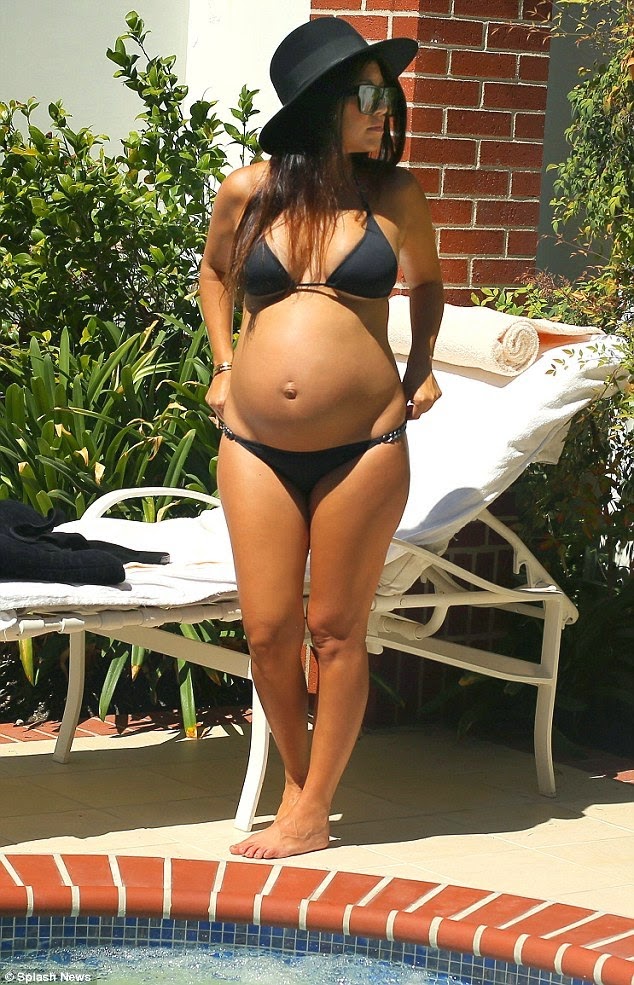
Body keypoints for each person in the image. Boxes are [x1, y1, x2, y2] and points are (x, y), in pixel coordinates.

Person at [200, 17, 444, 859]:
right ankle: (302, 786)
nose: (384, 112)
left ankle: (310, 807)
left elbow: (429, 286)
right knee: (269, 630)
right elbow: (215, 273)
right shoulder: (249, 191)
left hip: (364, 445)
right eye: (365, 96)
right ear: (318, 105)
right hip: (253, 442)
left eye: (386, 97)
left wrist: (419, 370)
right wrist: (224, 364)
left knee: (336, 629)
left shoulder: (396, 195)